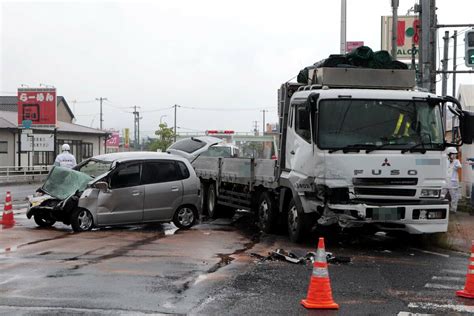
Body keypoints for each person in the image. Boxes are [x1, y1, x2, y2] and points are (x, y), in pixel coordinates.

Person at [446, 147, 462, 213]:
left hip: (453, 182)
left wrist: (454, 163)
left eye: (455, 154)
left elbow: (460, 166)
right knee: (442, 195)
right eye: (453, 154)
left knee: (454, 196)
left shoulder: (456, 161)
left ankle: (453, 209)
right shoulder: (445, 161)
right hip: (445, 181)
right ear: (449, 154)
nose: (455, 155)